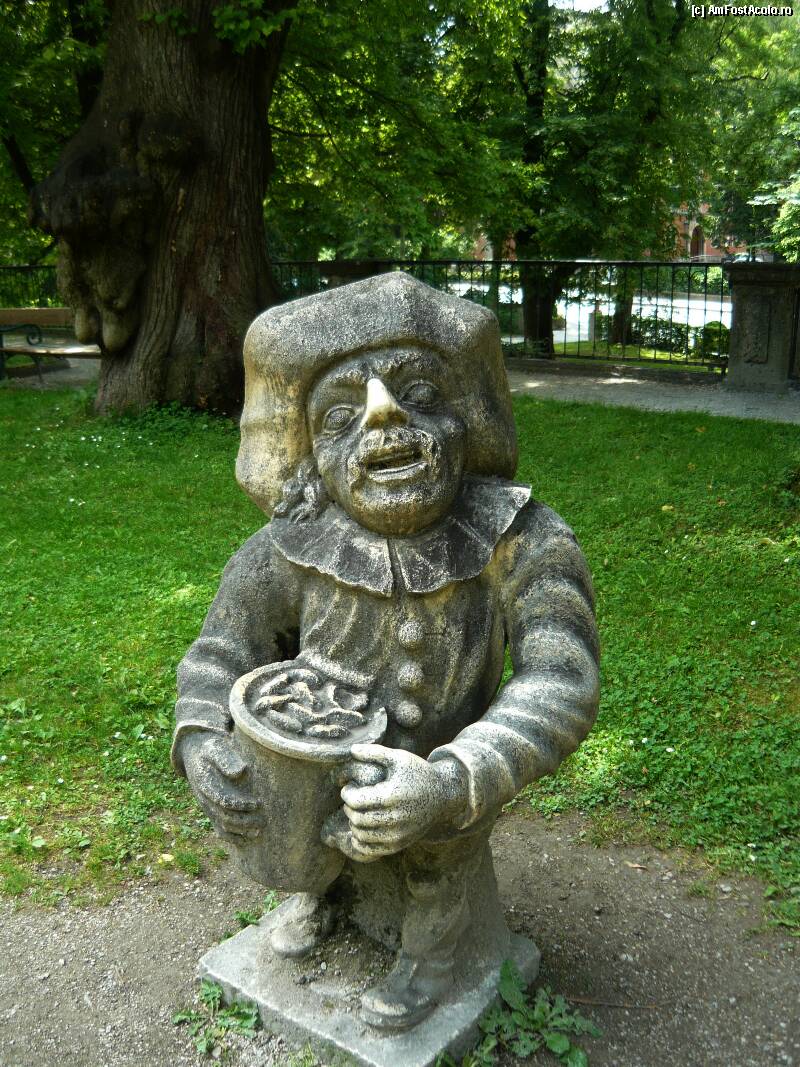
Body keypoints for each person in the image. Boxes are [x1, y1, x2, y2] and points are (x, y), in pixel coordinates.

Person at [172, 272, 599, 1032]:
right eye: (341, 416)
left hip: (444, 767)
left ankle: (433, 954)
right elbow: (220, 650)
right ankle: (319, 889)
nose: (385, 417)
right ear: (310, 450)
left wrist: (454, 779)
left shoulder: (521, 538)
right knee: (300, 818)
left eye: (422, 394)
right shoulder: (288, 546)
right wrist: (202, 735)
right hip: (315, 754)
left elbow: (560, 681)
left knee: (439, 855)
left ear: (467, 420)